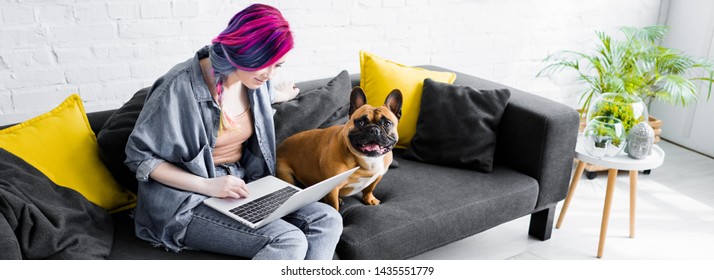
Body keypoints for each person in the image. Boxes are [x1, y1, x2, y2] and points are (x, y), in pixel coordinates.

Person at [124, 4, 342, 260]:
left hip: (241, 185)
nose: (270, 74)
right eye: (266, 65)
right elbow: (140, 158)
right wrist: (208, 185)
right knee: (288, 241)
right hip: (186, 200)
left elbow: (265, 93)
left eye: (278, 66)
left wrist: (283, 93)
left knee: (328, 219)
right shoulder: (178, 87)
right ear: (243, 52)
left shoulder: (256, 81)